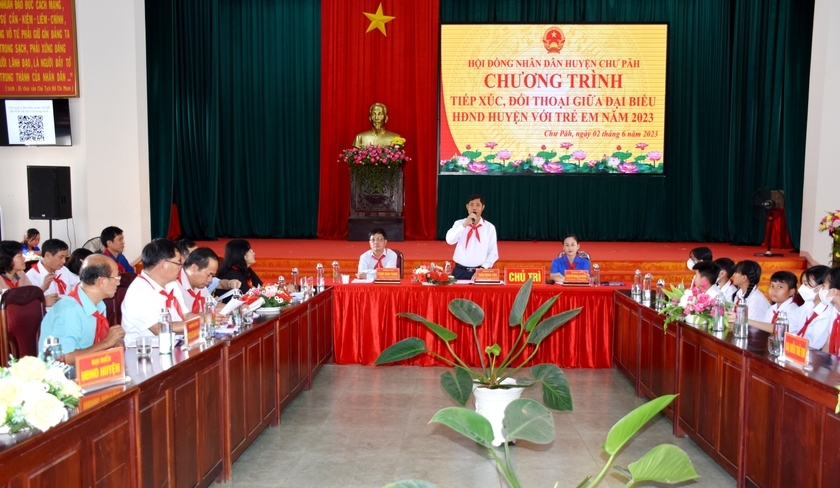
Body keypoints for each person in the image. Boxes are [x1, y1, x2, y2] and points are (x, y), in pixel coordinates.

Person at [38, 255, 126, 362]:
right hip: (64, 376)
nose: (119, 283)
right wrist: (106, 343)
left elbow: (94, 346)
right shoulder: (69, 310)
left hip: (90, 370)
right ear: (101, 281)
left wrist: (113, 344)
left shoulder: (99, 304)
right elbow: (64, 358)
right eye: (116, 278)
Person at [121, 239, 198, 344]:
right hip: (146, 352)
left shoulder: (171, 284)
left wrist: (208, 317)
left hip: (175, 343)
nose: (180, 268)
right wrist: (199, 322)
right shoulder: (139, 292)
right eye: (178, 263)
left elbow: (186, 315)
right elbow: (159, 328)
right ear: (163, 265)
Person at [445, 194, 498, 280]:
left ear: (483, 207)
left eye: (478, 205)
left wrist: (483, 269)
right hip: (460, 271)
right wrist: (464, 225)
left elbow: (493, 253)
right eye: (471, 204)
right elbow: (450, 240)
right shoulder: (459, 224)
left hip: (481, 272)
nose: (474, 208)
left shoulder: (489, 227)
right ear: (467, 207)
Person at [786, 266, 832, 349]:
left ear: (821, 287)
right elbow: (788, 324)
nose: (802, 288)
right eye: (802, 283)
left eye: (806, 284)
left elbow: (815, 345)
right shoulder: (808, 304)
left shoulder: (828, 313)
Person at [25, 238, 79, 307]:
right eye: (61, 257)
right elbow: (27, 305)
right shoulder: (31, 277)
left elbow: (78, 283)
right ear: (48, 255)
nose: (64, 261)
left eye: (65, 257)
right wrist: (42, 301)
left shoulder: (63, 270)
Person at [176, 247, 219, 313]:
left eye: (212, 276)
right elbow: (182, 318)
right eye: (208, 275)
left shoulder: (200, 285)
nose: (210, 280)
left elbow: (214, 305)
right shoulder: (174, 284)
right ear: (194, 268)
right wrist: (204, 317)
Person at [820, 267, 840, 355]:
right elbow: (828, 343)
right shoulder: (835, 310)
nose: (821, 289)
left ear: (834, 291)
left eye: (824, 286)